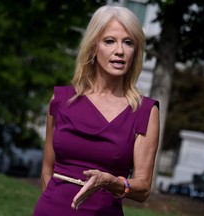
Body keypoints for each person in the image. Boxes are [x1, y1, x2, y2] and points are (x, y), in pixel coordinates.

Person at [33, 4, 160, 216]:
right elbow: (47, 169)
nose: (119, 50)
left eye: (128, 42)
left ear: (135, 51)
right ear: (93, 47)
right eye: (109, 41)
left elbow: (143, 188)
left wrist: (112, 182)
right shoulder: (61, 100)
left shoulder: (144, 111)